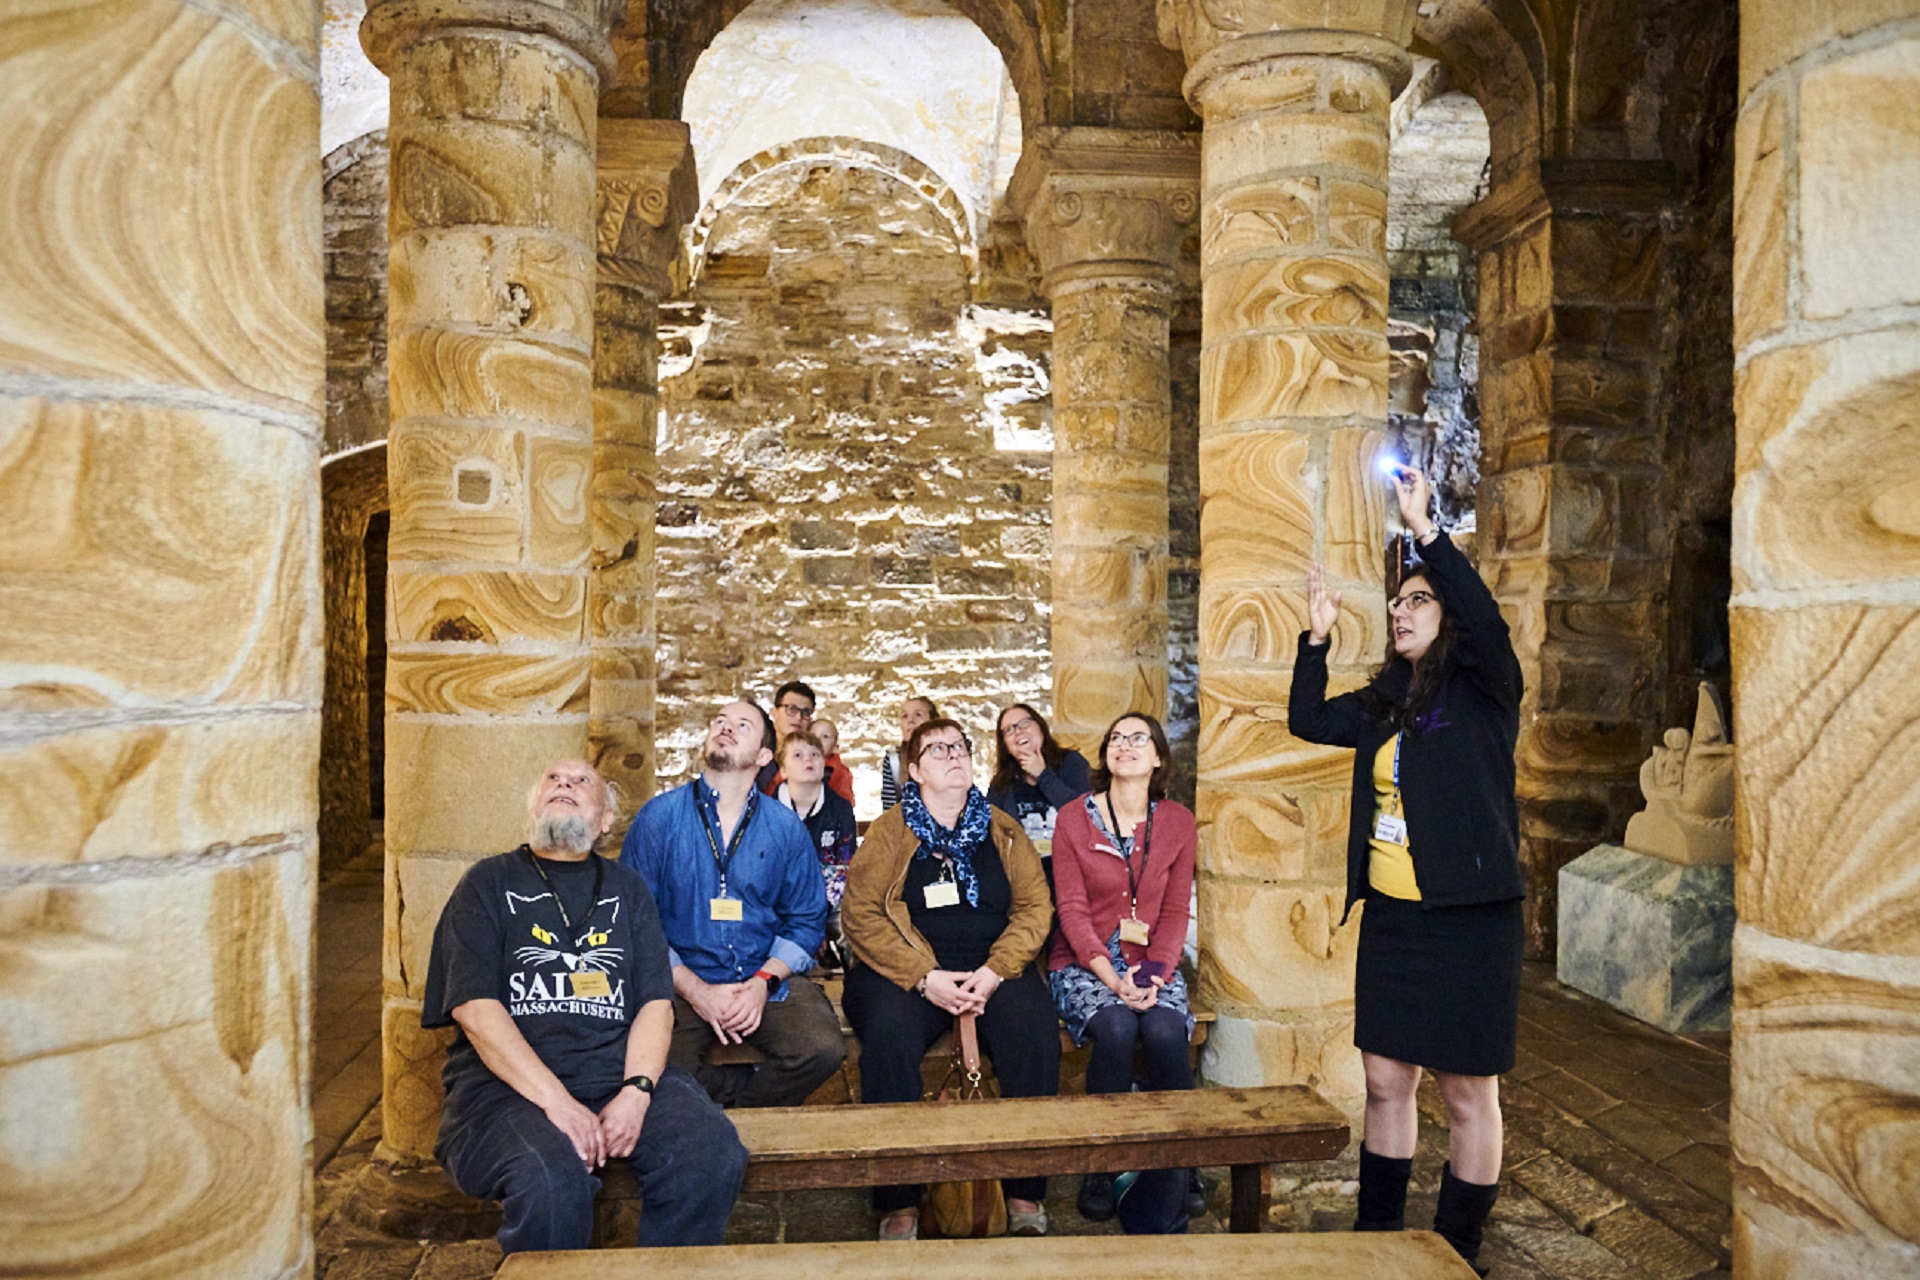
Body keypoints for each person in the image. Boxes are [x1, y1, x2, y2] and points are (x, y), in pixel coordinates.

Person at [1288, 465, 1524, 1274]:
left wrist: (1426, 531)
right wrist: (1316, 638)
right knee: (1386, 1082)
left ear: (1448, 616)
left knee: (1467, 1092)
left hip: (1469, 919)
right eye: (1397, 603)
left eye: (1417, 600)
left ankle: (1458, 1247)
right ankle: (1378, 1237)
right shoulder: (1385, 702)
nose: (1400, 610)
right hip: (1393, 921)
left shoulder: (1488, 687)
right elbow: (1307, 718)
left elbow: (1485, 618)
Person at [421, 760, 747, 1255]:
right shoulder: (485, 884)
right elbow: (475, 1008)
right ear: (533, 808)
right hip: (506, 1091)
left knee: (710, 1155)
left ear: (606, 820)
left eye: (581, 782)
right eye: (553, 780)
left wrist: (637, 1092)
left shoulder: (628, 890)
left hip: (617, 1072)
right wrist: (557, 1103)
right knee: (550, 1179)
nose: (564, 785)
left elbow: (655, 1005)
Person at [841, 717, 1061, 1241]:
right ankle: (899, 1200)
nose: (952, 755)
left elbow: (1034, 908)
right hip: (908, 966)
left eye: (959, 747)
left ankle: (1025, 1191)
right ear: (914, 770)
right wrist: (924, 978)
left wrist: (994, 972)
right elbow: (861, 914)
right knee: (888, 1042)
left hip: (991, 966)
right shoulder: (891, 832)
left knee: (1034, 1034)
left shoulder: (1003, 830)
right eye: (936, 749)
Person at [620, 700, 846, 1108]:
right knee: (655, 1064)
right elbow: (636, 921)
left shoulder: (784, 827)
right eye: (720, 722)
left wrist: (762, 984)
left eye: (742, 725)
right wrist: (696, 989)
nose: (725, 728)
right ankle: (723, 1110)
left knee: (822, 1049)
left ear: (763, 756)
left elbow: (806, 920)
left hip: (762, 979)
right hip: (679, 980)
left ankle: (732, 1110)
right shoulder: (659, 818)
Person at [1047, 712, 1197, 1224]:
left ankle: (1182, 1161)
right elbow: (1070, 911)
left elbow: (1176, 910)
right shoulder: (1073, 818)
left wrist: (1153, 975)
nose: (1125, 745)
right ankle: (1102, 1163)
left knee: (1164, 1028)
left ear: (1157, 757)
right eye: (1116, 738)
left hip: (1153, 961)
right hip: (1085, 961)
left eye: (1139, 739)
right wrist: (1113, 980)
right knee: (1113, 1027)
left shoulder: (1177, 821)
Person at [775, 729, 859, 962]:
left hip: (829, 900)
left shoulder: (840, 808)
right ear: (783, 770)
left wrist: (816, 919)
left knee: (856, 926)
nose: (808, 759)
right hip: (781, 902)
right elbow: (767, 873)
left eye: (815, 754)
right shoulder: (768, 810)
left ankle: (857, 987)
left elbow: (843, 868)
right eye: (798, 755)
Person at [986, 703, 1091, 862]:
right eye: (1009, 730)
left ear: (1041, 728)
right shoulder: (1001, 784)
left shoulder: (1072, 763)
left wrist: (1043, 775)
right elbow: (993, 837)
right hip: (1028, 876)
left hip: (1074, 867)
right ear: (1005, 746)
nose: (1018, 731)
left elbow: (1087, 817)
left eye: (1024, 723)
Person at [877, 695, 937, 810]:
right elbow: (889, 805)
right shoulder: (893, 759)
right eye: (905, 716)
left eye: (918, 714)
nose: (911, 720)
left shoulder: (947, 755)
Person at [759, 679, 817, 794]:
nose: (798, 717)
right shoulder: (755, 753)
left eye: (805, 712)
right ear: (774, 712)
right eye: (792, 709)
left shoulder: (816, 760)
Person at [811, 716, 857, 805]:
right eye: (812, 736)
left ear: (835, 748)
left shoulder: (841, 772)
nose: (817, 740)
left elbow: (846, 801)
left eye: (825, 736)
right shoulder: (796, 765)